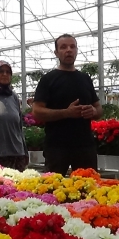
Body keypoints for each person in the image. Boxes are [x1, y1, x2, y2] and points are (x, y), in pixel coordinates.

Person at [32, 34, 103, 175]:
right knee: (53, 190)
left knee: (88, 188)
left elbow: (99, 108)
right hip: (57, 147)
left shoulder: (85, 79)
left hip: (85, 146)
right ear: (56, 52)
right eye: (63, 47)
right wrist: (66, 113)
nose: (68, 50)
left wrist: (93, 112)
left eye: (72, 46)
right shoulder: (48, 80)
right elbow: (37, 111)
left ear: (77, 50)